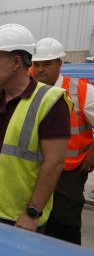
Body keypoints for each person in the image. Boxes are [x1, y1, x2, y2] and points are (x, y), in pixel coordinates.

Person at [0, 24, 72, 232]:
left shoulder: (51, 102)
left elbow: (54, 163)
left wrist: (33, 212)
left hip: (19, 216)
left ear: (16, 62)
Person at [33, 37, 94, 244]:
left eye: (47, 64)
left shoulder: (81, 91)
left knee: (65, 226)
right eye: (36, 64)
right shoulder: (29, 90)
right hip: (34, 169)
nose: (40, 70)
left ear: (59, 63)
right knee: (39, 222)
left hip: (69, 174)